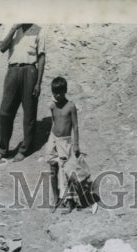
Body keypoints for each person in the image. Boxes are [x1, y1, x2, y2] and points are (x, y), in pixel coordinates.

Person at [0, 23, 46, 161]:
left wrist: (38, 83)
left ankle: (25, 149)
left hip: (30, 71)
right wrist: (13, 28)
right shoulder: (11, 27)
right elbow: (2, 48)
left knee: (29, 113)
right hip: (13, 71)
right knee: (4, 112)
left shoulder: (39, 30)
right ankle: (3, 148)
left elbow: (41, 57)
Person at [44, 76, 80, 206]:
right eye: (54, 92)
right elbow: (54, 123)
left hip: (65, 141)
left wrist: (76, 144)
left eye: (59, 92)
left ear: (65, 91)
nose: (57, 95)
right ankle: (56, 197)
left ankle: (69, 200)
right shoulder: (53, 106)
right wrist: (51, 142)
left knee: (66, 170)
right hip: (53, 139)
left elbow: (75, 126)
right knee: (53, 168)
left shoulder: (71, 106)